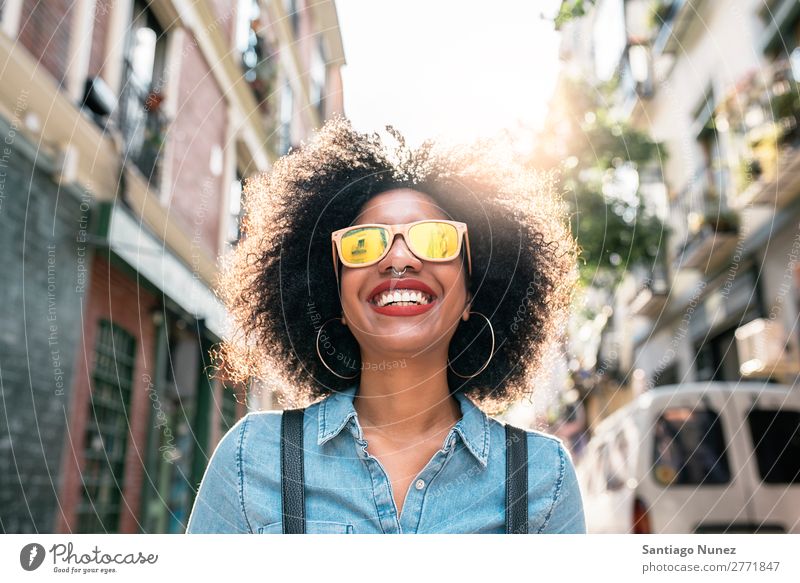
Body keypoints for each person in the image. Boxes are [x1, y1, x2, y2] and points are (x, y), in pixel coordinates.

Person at [185, 115, 586, 534]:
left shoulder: (542, 479)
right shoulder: (252, 459)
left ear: (472, 293)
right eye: (364, 243)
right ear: (333, 295)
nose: (399, 259)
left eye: (434, 238)